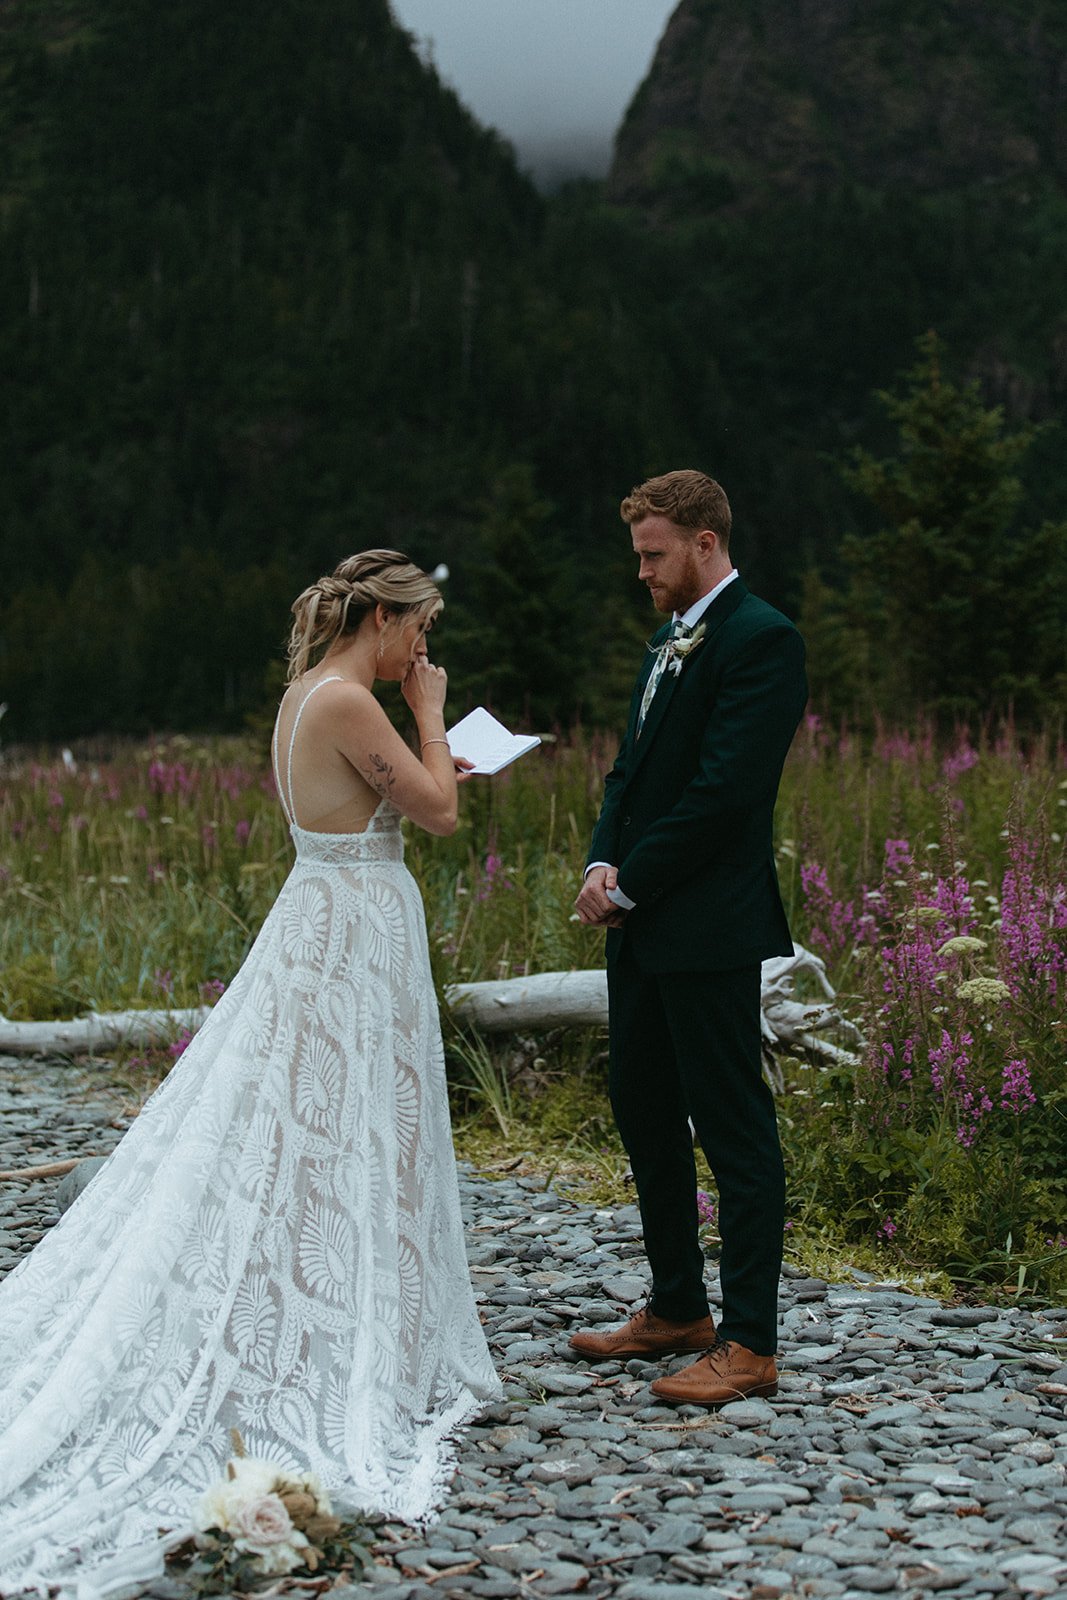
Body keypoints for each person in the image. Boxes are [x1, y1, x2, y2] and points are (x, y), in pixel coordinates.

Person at [0, 550, 500, 1596]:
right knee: (340, 1117)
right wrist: (433, 712)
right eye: (417, 628)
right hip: (348, 926)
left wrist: (417, 743)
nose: (423, 648)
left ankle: (350, 1295)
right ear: (377, 616)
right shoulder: (353, 700)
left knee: (331, 1117)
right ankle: (328, 1319)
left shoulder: (303, 694)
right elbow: (439, 814)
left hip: (332, 916)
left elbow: (390, 802)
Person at [571, 472, 807, 1407]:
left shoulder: (761, 639)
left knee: (732, 1123)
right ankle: (676, 1306)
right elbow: (629, 770)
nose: (642, 571)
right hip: (636, 921)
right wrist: (599, 863)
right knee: (641, 1106)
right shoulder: (670, 637)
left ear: (705, 543)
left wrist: (632, 880)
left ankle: (750, 1341)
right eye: (638, 554)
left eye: (653, 554)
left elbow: (725, 794)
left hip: (706, 923)